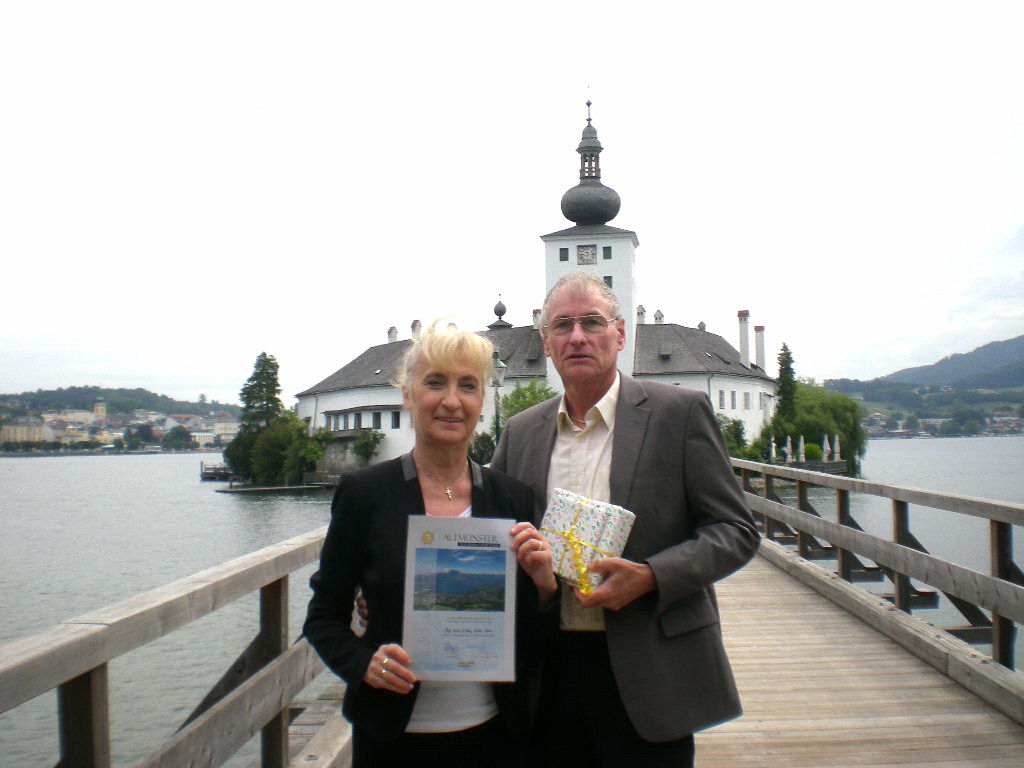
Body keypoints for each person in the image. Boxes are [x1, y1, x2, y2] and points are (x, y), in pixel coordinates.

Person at [491, 272, 760, 767]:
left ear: (619, 334)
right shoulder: (521, 431)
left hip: (652, 668)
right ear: (546, 344)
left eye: (591, 323)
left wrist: (652, 577)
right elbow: (491, 537)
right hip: (549, 670)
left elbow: (736, 531)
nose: (577, 336)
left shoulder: (678, 414)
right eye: (562, 326)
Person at [304, 320, 557, 768]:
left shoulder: (512, 499)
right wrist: (363, 664)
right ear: (407, 393)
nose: (452, 401)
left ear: (483, 400)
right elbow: (324, 616)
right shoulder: (365, 494)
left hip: (496, 735)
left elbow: (536, 640)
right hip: (393, 739)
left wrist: (543, 588)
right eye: (435, 382)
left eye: (468, 386)